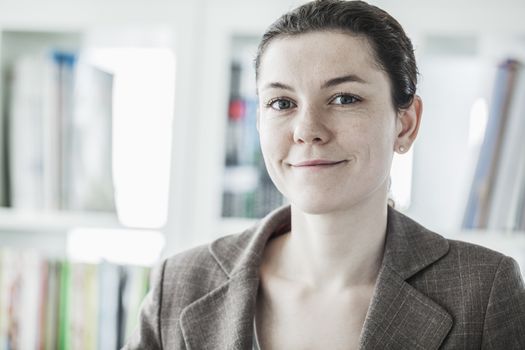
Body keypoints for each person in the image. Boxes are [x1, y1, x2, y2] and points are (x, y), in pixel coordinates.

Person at [123, 1, 525, 349]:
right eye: (281, 102)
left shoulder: (483, 289)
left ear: (405, 124)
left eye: (344, 98)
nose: (307, 128)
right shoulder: (180, 284)